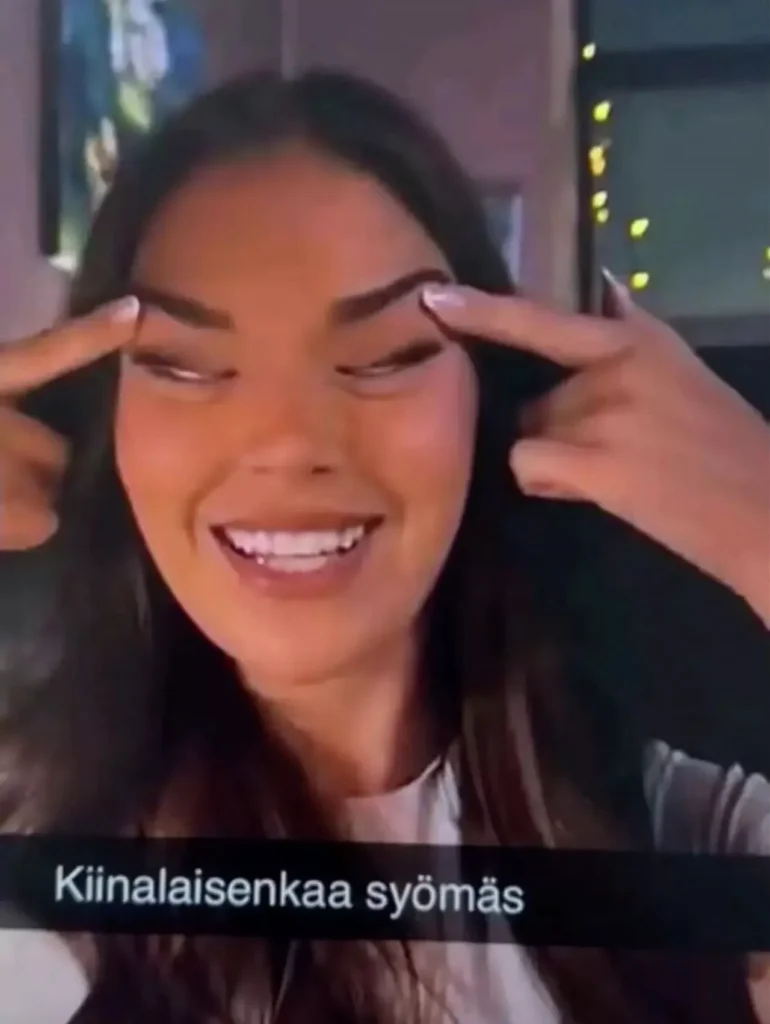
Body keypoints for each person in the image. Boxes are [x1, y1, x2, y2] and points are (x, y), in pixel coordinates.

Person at [0, 69, 769, 1024]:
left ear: (488, 398)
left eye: (385, 357)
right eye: (185, 366)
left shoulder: (678, 838)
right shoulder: (39, 878)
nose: (288, 442)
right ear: (101, 422)